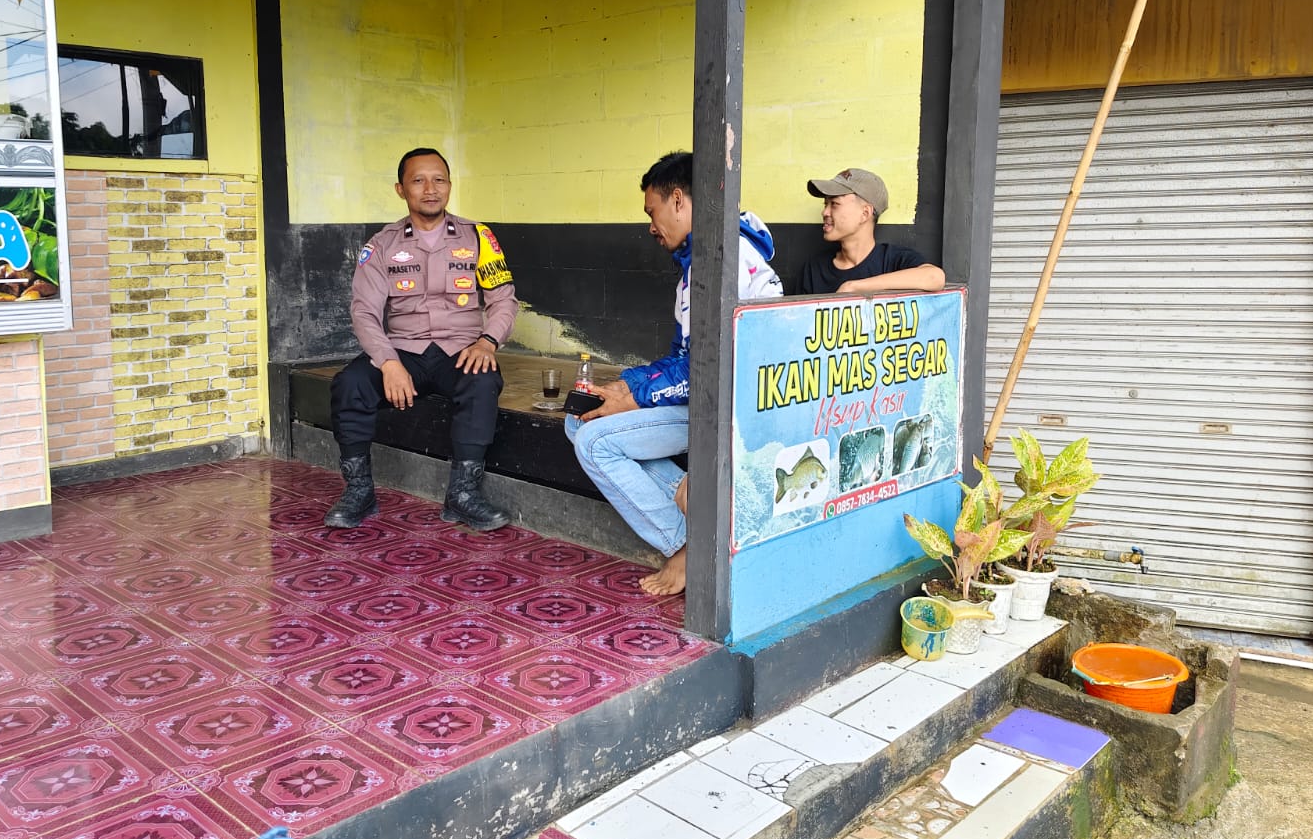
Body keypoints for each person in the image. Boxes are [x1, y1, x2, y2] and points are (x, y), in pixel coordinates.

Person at [566, 151, 783, 596]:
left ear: (679, 200)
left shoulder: (719, 261)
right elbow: (686, 357)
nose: (651, 225)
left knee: (593, 441)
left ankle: (685, 546)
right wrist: (626, 386)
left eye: (653, 211)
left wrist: (633, 398)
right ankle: (687, 509)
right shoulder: (699, 259)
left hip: (733, 411)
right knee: (579, 418)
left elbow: (708, 368)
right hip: (707, 398)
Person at [323, 148, 518, 532]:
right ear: (401, 189)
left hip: (461, 350)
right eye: (418, 180)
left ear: (450, 185)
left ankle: (462, 495)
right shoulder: (382, 244)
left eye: (439, 180)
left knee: (483, 380)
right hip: (404, 351)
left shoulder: (478, 237)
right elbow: (364, 311)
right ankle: (359, 492)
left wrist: (487, 342)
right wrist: (388, 362)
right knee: (350, 384)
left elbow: (503, 299)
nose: (431, 189)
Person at [799, 168, 946, 296]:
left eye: (834, 204)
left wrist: (853, 287)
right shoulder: (815, 269)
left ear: (865, 213)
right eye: (825, 204)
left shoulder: (893, 260)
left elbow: (934, 277)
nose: (825, 212)